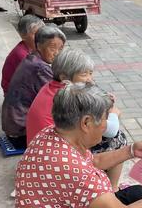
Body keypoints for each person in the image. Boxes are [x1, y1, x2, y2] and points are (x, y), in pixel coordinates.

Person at [26, 49, 127, 190]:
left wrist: (99, 100)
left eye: (90, 73)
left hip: (40, 150)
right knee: (117, 137)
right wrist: (113, 113)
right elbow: (110, 130)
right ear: (64, 77)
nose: (90, 79)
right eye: (83, 74)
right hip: (56, 156)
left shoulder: (52, 88)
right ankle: (113, 188)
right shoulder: (72, 99)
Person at [1, 25, 65, 149]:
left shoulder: (32, 58)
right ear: (39, 46)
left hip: (14, 128)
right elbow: (60, 97)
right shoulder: (40, 68)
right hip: (21, 134)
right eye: (52, 48)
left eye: (61, 48)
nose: (57, 53)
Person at [1, 15, 45, 95]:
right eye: (35, 34)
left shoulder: (34, 49)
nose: (40, 37)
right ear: (23, 36)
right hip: (15, 95)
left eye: (41, 33)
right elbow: (37, 79)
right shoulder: (21, 54)